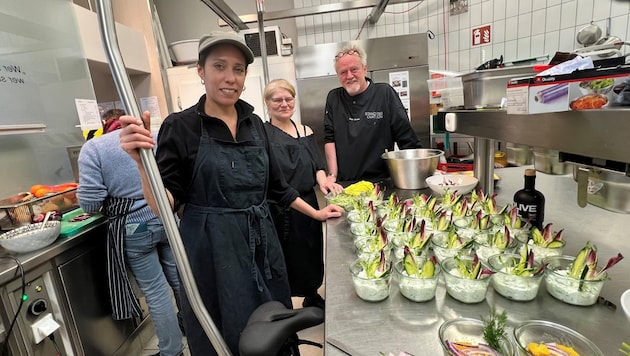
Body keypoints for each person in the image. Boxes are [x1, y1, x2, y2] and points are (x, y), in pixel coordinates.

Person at [118, 31, 343, 355]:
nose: (229, 76)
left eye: (238, 68)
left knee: (273, 332)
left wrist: (318, 213)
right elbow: (164, 207)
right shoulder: (180, 127)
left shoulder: (255, 125)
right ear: (200, 70)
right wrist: (142, 166)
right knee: (224, 334)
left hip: (263, 246)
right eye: (219, 66)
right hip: (211, 252)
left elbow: (278, 189)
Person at [76, 109, 184, 356]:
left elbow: (90, 204)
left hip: (135, 228)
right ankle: (194, 331)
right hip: (167, 217)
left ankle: (172, 351)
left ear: (106, 124)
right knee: (181, 281)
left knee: (156, 293)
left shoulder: (94, 148)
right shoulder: (154, 136)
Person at [262, 79, 344, 310]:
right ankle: (283, 304)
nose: (284, 104)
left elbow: (317, 164)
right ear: (267, 103)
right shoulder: (264, 135)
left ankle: (312, 294)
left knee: (310, 253)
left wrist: (325, 182)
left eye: (288, 98)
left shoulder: (304, 130)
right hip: (280, 207)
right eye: (277, 99)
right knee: (284, 258)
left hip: (308, 204)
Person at [323, 44, 422, 183]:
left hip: (382, 181)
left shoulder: (384, 93)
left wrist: (420, 171)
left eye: (354, 69)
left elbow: (406, 138)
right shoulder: (334, 98)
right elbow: (329, 139)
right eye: (343, 72)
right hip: (345, 183)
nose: (349, 76)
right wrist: (332, 175)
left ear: (365, 69)